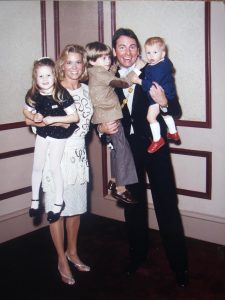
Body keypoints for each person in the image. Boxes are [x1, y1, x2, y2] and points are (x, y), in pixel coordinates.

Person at [98, 28, 189, 287]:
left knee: (167, 206)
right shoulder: (106, 78)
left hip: (155, 147)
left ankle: (179, 266)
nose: (128, 52)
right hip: (128, 151)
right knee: (133, 207)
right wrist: (101, 130)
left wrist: (164, 103)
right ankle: (137, 256)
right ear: (114, 51)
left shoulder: (153, 69)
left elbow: (175, 108)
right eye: (122, 47)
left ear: (138, 49)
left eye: (132, 46)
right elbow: (100, 114)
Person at [25, 45, 93, 286]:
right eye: (69, 62)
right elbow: (35, 123)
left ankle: (72, 252)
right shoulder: (52, 89)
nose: (74, 67)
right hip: (57, 151)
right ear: (61, 65)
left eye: (79, 62)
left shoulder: (86, 90)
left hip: (79, 154)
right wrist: (50, 123)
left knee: (75, 209)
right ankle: (60, 260)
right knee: (58, 210)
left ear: (84, 66)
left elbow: (88, 120)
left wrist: (105, 129)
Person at [23, 57, 79, 223]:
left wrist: (52, 119)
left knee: (54, 167)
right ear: (35, 78)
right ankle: (35, 201)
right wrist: (33, 115)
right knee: (37, 166)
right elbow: (26, 111)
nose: (45, 80)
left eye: (48, 75)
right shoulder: (33, 94)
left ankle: (58, 202)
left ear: (54, 76)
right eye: (41, 76)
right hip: (42, 133)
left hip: (58, 135)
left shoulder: (61, 93)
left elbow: (74, 117)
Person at [85, 41, 141, 204]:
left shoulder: (98, 71)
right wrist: (135, 72)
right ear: (92, 61)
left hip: (110, 116)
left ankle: (115, 180)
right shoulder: (99, 73)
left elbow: (111, 72)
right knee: (122, 150)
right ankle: (121, 188)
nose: (108, 60)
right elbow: (121, 82)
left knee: (118, 150)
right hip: (109, 116)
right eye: (102, 58)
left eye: (108, 57)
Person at [132, 36, 180, 153]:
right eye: (148, 53)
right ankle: (173, 132)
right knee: (164, 115)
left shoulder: (156, 69)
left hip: (157, 96)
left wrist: (139, 81)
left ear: (163, 54)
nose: (151, 56)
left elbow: (152, 84)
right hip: (133, 143)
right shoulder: (165, 63)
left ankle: (157, 139)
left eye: (154, 52)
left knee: (151, 117)